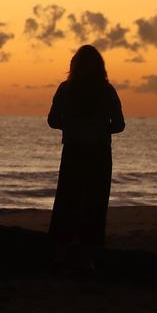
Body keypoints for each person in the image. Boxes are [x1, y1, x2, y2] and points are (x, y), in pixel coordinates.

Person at [47, 45, 125, 272]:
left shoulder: (66, 89)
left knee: (66, 201)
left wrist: (70, 126)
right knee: (95, 203)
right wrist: (100, 129)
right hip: (99, 152)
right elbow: (119, 124)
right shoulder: (107, 90)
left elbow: (52, 120)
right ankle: (88, 257)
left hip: (73, 151)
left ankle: (60, 253)